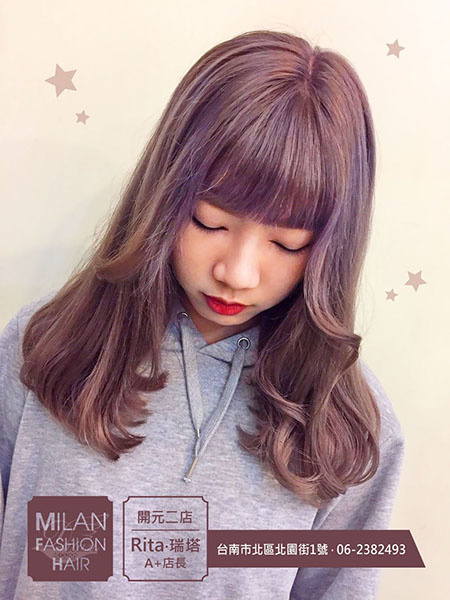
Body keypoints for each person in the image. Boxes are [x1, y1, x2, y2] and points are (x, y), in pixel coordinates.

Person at [0, 29, 405, 599]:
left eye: (286, 243)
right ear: (164, 195)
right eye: (210, 222)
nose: (237, 273)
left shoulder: (352, 427)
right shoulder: (44, 349)